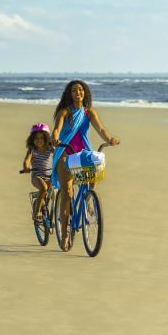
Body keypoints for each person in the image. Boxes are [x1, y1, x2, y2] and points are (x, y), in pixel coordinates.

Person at [50, 79, 119, 250]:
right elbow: (57, 129)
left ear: (85, 93)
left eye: (80, 90)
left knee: (96, 164)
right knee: (66, 192)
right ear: (70, 94)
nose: (78, 93)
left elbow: (101, 129)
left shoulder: (89, 113)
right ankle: (65, 234)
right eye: (74, 90)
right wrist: (55, 138)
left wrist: (109, 139)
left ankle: (88, 196)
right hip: (66, 151)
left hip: (82, 151)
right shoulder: (65, 112)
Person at [20, 124, 54, 221]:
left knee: (56, 193)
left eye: (42, 138)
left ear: (46, 138)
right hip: (37, 176)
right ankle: (37, 212)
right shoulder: (32, 150)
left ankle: (55, 213)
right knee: (43, 188)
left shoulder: (49, 148)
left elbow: (58, 154)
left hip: (50, 176)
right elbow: (27, 160)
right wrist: (26, 167)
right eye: (36, 138)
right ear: (32, 139)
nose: (39, 140)